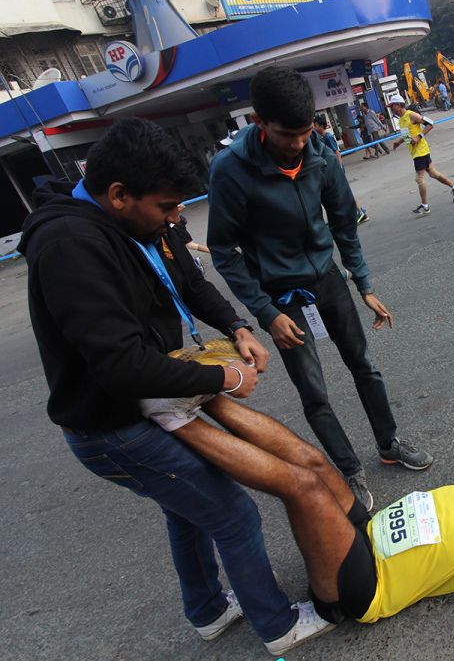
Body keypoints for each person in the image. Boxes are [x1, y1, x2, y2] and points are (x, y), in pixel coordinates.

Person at [17, 116, 327, 656]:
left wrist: (237, 328)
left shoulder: (144, 224)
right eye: (166, 208)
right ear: (118, 194)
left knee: (186, 505)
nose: (175, 218)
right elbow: (121, 366)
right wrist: (224, 376)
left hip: (150, 400)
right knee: (229, 509)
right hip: (112, 424)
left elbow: (189, 280)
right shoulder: (69, 245)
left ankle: (207, 609)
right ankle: (278, 626)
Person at [208, 68, 434, 513]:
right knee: (314, 392)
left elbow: (344, 222)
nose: (297, 143)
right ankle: (348, 470)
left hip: (327, 280)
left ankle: (389, 443)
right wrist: (265, 312)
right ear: (258, 121)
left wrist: (363, 282)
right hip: (281, 301)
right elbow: (223, 249)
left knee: (364, 366)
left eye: (306, 131)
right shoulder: (231, 170)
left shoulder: (320, 153)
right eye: (286, 134)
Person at [173, 406, 454, 632]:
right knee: (313, 462)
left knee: (301, 487)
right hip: (362, 532)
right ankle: (204, 399)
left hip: (363, 587)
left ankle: (179, 426)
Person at [386, 93, 454, 215]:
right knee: (433, 174)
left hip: (420, 151)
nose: (391, 108)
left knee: (419, 179)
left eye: (392, 106)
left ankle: (425, 206)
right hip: (415, 152)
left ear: (399, 105)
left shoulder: (411, 115)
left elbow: (430, 124)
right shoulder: (401, 120)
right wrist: (398, 142)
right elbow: (407, 136)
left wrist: (419, 136)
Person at [312, 114, 369, 225]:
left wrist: (338, 169)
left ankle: (360, 212)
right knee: (339, 194)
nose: (313, 128)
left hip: (336, 170)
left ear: (320, 126)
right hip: (330, 171)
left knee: (345, 192)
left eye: (315, 125)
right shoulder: (321, 138)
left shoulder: (328, 137)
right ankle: (353, 213)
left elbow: (337, 153)